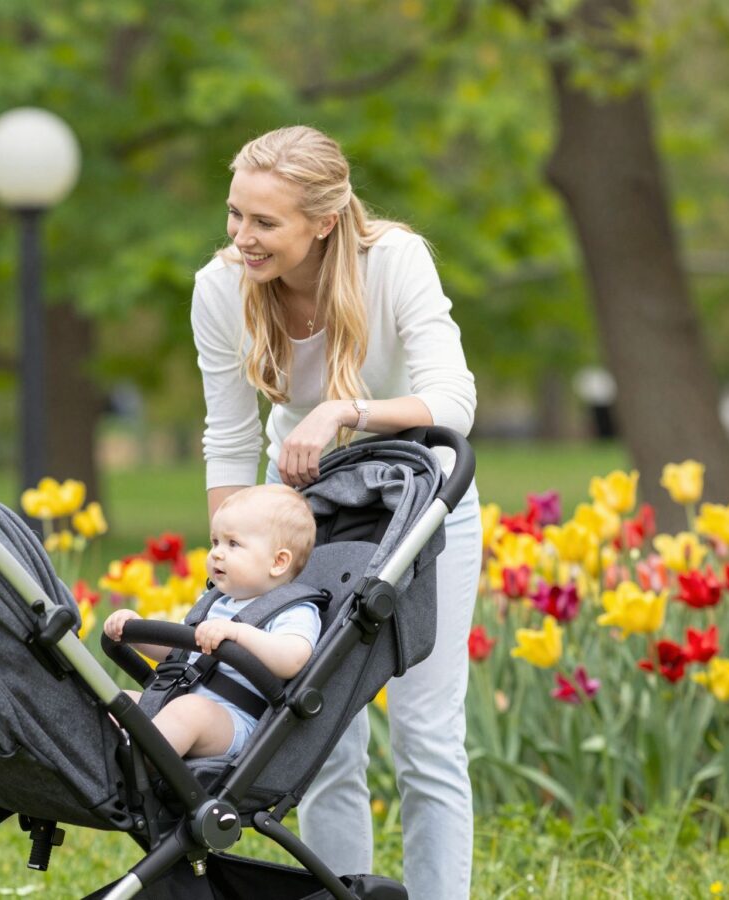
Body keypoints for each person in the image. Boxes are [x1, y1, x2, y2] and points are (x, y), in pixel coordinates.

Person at [190, 125, 482, 898]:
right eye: (235, 214)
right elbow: (229, 436)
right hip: (312, 518)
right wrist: (232, 565)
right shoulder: (220, 287)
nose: (241, 238)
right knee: (318, 734)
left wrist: (344, 412)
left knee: (426, 737)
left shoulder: (393, 263)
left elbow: (455, 401)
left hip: (428, 507)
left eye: (264, 222)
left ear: (323, 220)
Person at [103, 484, 320, 758]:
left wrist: (238, 634)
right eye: (215, 542)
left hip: (235, 720)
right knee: (118, 701)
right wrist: (134, 632)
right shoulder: (216, 602)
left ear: (278, 562)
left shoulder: (294, 610)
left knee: (191, 711)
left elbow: (293, 659)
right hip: (180, 705)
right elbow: (178, 652)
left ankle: (134, 767)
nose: (217, 553)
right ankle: (93, 767)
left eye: (233, 544)